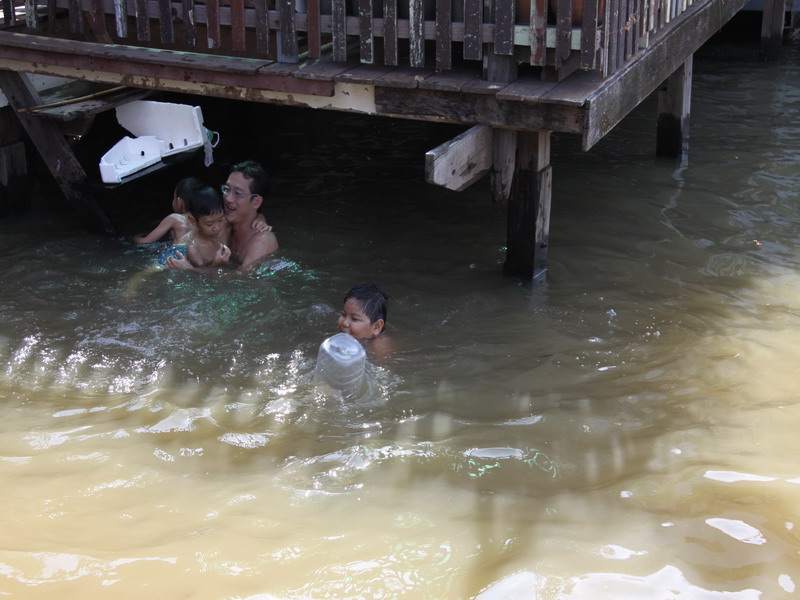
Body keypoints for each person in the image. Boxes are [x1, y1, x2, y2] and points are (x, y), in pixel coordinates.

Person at [132, 176, 203, 244]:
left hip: (177, 254)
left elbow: (145, 242)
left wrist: (135, 238)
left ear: (180, 202)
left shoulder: (174, 218)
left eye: (174, 197)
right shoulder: (204, 220)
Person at [181, 185, 231, 269]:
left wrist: (260, 218)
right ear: (193, 221)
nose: (217, 228)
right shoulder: (194, 249)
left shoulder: (225, 225)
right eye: (209, 224)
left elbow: (243, 217)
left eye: (220, 220)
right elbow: (202, 276)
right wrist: (215, 264)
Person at [338, 283, 392, 356]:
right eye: (344, 315)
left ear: (376, 327)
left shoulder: (379, 348)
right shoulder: (345, 334)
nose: (345, 323)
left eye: (354, 319)